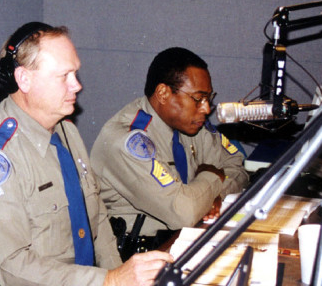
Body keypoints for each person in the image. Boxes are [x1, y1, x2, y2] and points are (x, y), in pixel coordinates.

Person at [0, 22, 172, 286]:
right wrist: (109, 280)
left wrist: (118, 275)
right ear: (24, 79)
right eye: (64, 76)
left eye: (75, 73)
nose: (76, 85)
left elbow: (97, 218)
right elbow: (13, 268)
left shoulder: (67, 131)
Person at [90, 47, 249, 259]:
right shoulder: (128, 141)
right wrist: (211, 176)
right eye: (198, 98)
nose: (206, 109)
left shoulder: (191, 126)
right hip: (137, 256)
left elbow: (237, 167)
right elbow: (184, 212)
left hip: (184, 243)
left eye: (208, 98)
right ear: (163, 93)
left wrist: (215, 196)